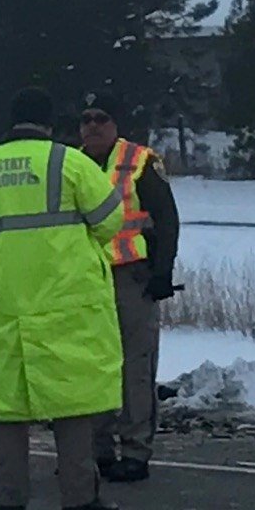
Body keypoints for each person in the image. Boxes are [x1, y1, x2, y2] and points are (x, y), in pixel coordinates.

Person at [0, 87, 125, 510]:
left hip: (0, 301)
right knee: (72, 401)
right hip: (64, 300)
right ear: (50, 124)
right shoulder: (70, 162)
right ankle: (78, 498)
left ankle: (10, 500)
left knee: (5, 406)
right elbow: (110, 220)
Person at [77, 99, 178, 484]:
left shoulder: (139, 161)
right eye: (85, 120)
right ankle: (95, 448)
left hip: (132, 278)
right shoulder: (71, 163)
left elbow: (167, 219)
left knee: (135, 368)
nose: (92, 126)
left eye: (101, 118)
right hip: (86, 279)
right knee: (90, 364)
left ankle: (135, 451)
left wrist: (163, 272)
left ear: (116, 123)